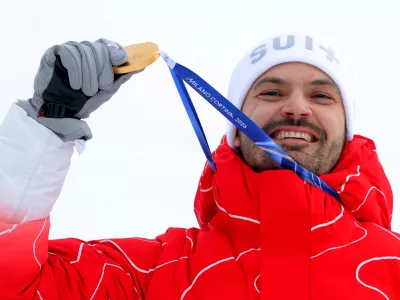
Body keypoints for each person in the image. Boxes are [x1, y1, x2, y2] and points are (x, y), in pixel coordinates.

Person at [0, 34, 399, 300]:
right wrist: (44, 128)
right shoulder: (152, 273)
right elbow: (16, 289)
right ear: (235, 132)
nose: (296, 107)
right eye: (272, 91)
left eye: (322, 96)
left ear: (347, 132)